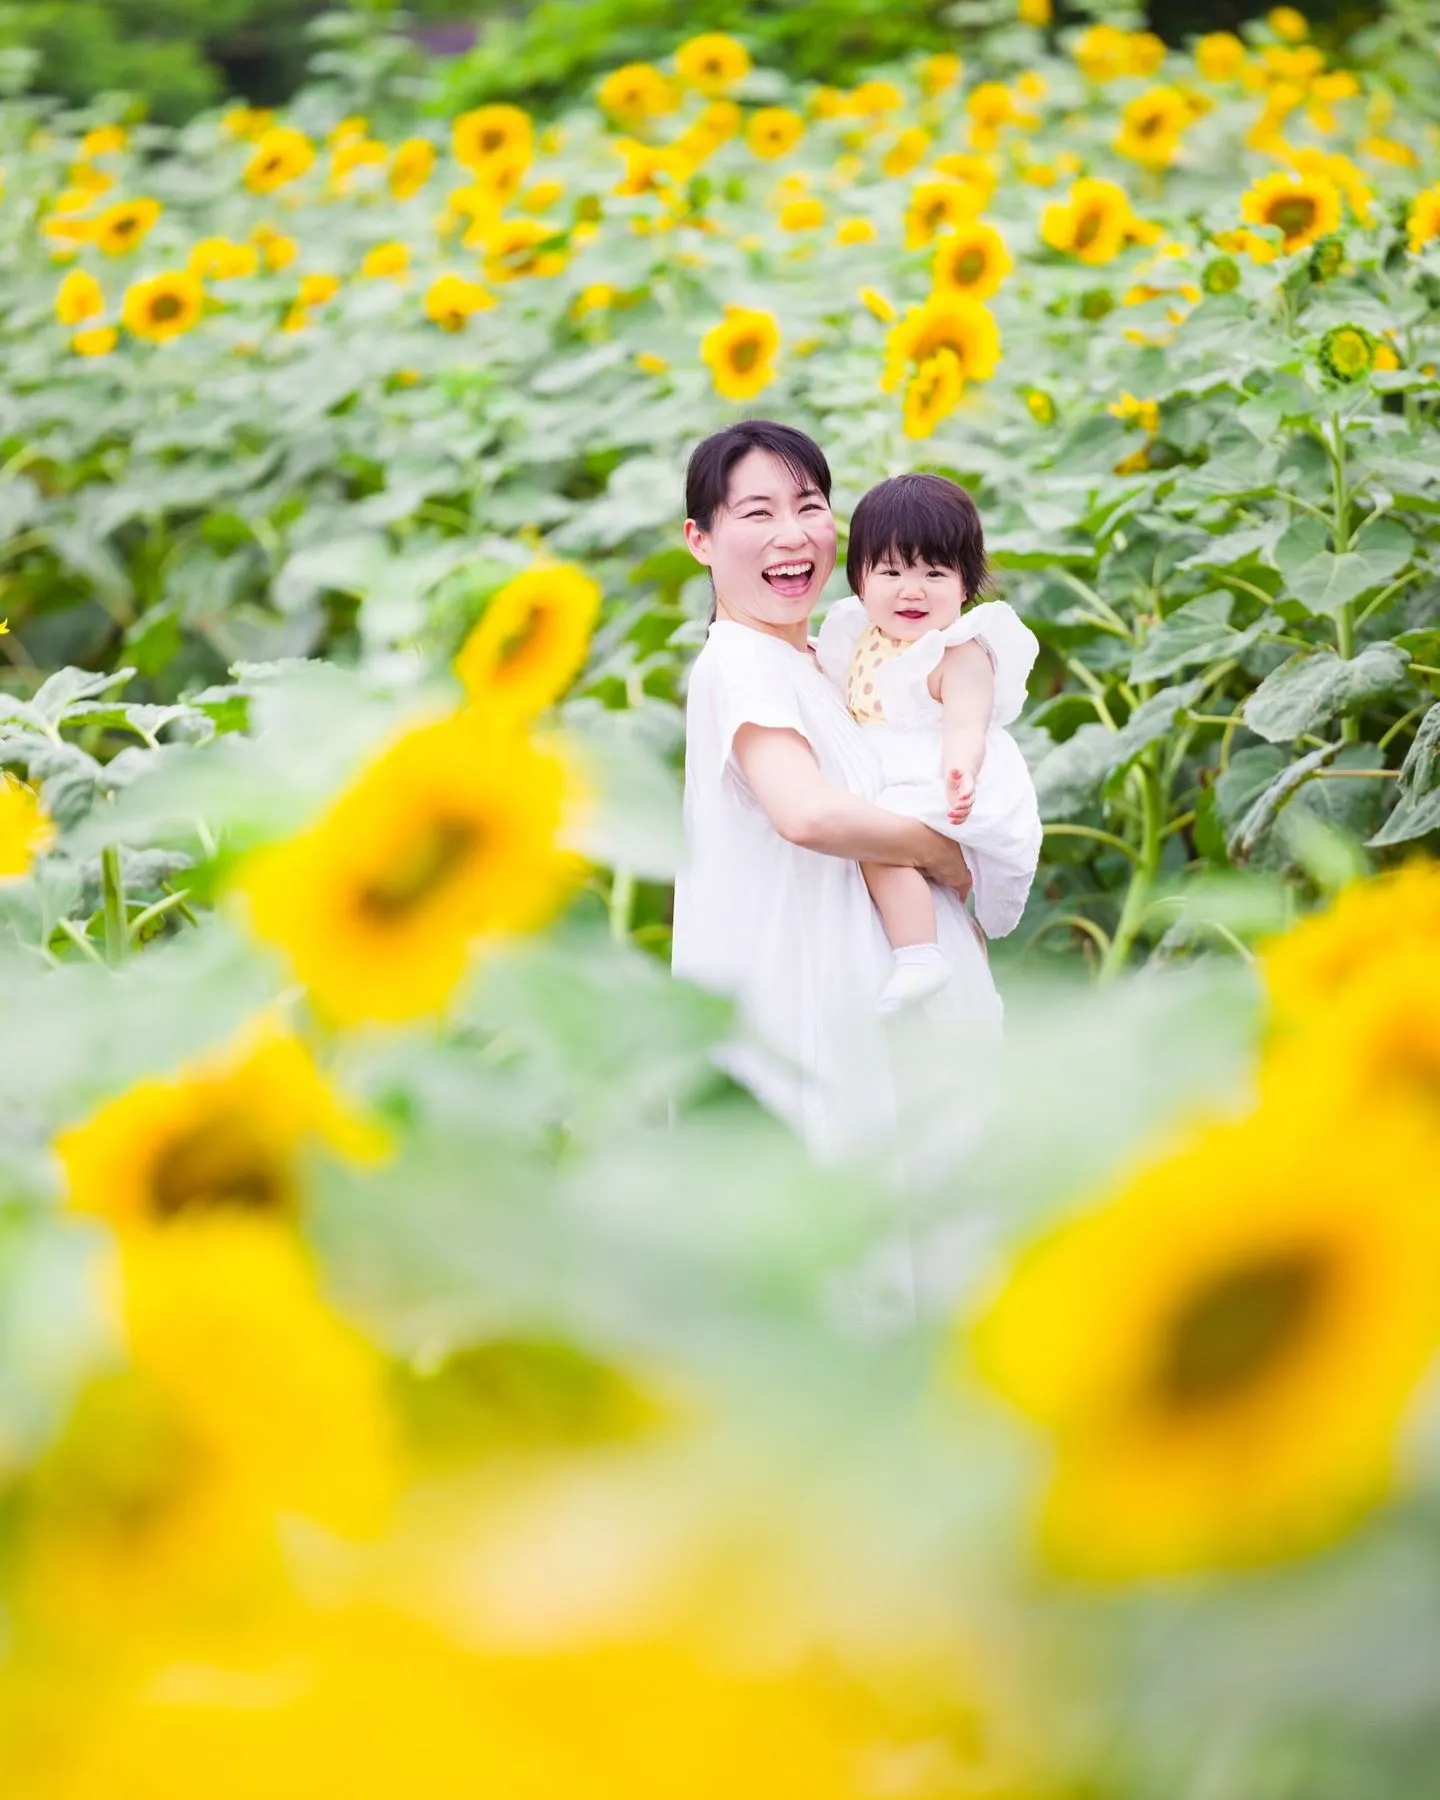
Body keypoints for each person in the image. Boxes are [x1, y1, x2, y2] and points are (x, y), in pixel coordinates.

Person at [671, 421, 1002, 1165]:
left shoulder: (831, 663)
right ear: (701, 541)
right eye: (757, 513)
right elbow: (808, 814)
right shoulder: (743, 664)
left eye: (809, 504)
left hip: (884, 1031)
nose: (791, 534)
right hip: (817, 1022)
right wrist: (942, 858)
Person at [815, 473, 1043, 1015]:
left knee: (878, 841)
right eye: (891, 571)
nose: (911, 589)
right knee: (894, 859)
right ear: (860, 581)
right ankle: (958, 953)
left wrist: (961, 767)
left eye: (934, 573)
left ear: (966, 585)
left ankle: (920, 955)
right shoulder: (860, 634)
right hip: (893, 773)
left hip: (942, 777)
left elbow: (967, 721)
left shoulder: (957, 650)